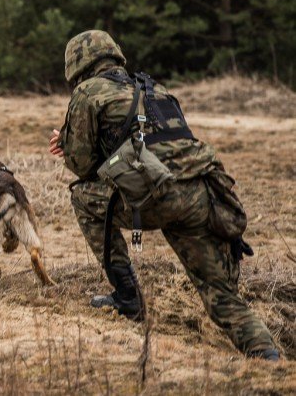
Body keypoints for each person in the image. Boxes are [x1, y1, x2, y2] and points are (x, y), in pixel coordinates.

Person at [48, 30, 280, 361]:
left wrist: (67, 146)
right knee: (221, 295)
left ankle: (128, 296)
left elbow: (83, 167)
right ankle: (267, 356)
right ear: (116, 57)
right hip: (199, 195)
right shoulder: (154, 88)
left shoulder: (87, 92)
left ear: (77, 67)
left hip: (151, 199)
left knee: (82, 197)